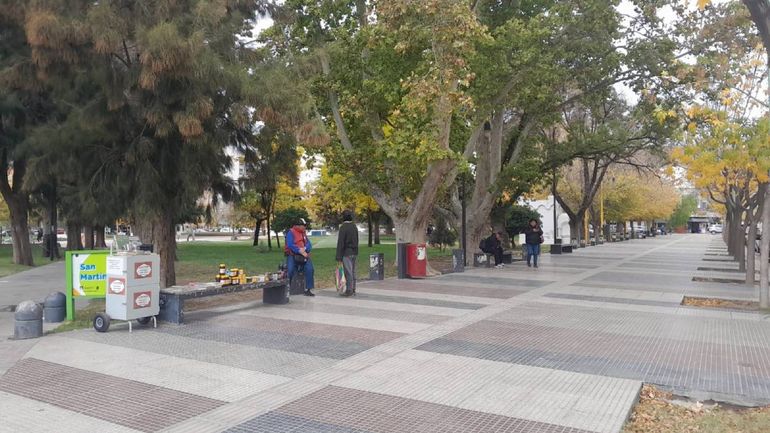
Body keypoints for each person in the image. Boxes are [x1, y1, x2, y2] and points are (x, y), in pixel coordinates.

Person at [285, 218, 315, 296]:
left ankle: (308, 289)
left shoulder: (303, 233)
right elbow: (290, 244)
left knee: (310, 269)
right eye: (304, 225)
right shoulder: (290, 232)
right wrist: (299, 250)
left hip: (303, 254)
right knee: (290, 270)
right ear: (297, 226)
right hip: (292, 254)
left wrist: (304, 249)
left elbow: (309, 244)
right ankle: (287, 289)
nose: (305, 227)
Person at [336, 210, 359, 296]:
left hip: (346, 253)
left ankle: (349, 290)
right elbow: (356, 240)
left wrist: (338, 256)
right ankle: (353, 289)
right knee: (353, 271)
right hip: (354, 252)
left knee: (348, 272)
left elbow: (341, 243)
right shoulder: (354, 226)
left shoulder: (343, 227)